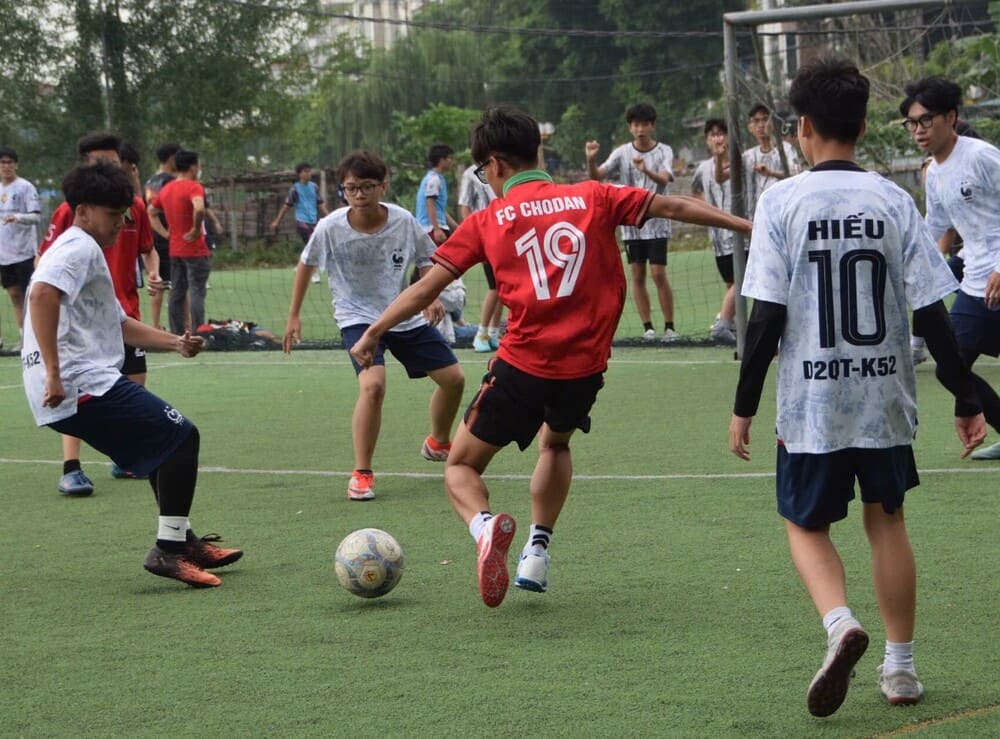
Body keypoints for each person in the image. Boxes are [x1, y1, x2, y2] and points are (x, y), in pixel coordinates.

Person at [351, 107, 751, 608]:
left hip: (522, 365)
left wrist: (374, 331)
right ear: (535, 153)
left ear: (495, 165)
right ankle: (537, 551)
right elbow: (674, 207)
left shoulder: (487, 219)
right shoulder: (594, 195)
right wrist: (746, 224)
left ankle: (484, 526)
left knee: (460, 468)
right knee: (555, 446)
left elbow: (427, 286)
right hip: (584, 369)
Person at [728, 58, 987, 718]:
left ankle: (841, 621)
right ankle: (900, 668)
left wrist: (744, 405)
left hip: (812, 402)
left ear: (803, 126)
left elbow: (765, 317)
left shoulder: (782, 201)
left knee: (803, 521)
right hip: (883, 398)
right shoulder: (893, 199)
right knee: (888, 519)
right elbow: (934, 312)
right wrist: (965, 394)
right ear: (866, 126)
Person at [22, 161, 243, 587]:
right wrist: (54, 372)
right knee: (182, 436)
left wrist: (174, 342)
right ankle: (169, 550)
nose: (122, 222)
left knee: (164, 443)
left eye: (126, 213)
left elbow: (118, 325)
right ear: (84, 211)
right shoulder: (78, 248)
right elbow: (42, 294)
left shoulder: (84, 248)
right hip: (77, 382)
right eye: (114, 213)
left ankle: (183, 540)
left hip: (76, 382)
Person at [283, 150, 465, 501]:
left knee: (454, 380)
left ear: (383, 186)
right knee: (374, 387)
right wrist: (294, 315)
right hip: (357, 318)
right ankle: (362, 472)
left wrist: (431, 295)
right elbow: (306, 266)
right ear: (342, 190)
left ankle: (438, 442)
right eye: (351, 188)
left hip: (402, 314)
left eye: (367, 186)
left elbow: (428, 260)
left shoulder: (403, 221)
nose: (359, 194)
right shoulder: (330, 227)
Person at [38, 131, 162, 494]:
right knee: (77, 392)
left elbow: (148, 249)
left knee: (133, 379)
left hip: (126, 308)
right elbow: (47, 264)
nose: (107, 165)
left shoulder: (134, 207)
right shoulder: (71, 210)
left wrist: (153, 271)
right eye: (98, 161)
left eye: (112, 159)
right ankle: (71, 467)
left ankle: (124, 458)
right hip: (84, 320)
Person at [900, 77, 1000, 461]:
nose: (919, 130)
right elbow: (934, 227)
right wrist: (909, 262)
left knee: (954, 365)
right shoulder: (935, 173)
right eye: (913, 123)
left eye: (926, 120)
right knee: (951, 366)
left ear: (951, 117)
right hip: (977, 281)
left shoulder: (980, 156)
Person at [586, 103, 678, 342]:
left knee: (658, 273)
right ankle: (648, 327)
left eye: (645, 124)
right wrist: (590, 160)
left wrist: (646, 170)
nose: (641, 129)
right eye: (636, 124)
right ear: (630, 127)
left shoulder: (664, 151)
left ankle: (669, 327)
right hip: (631, 225)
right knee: (637, 275)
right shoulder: (622, 152)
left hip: (657, 222)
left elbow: (666, 179)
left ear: (653, 125)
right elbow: (597, 176)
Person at [149, 149, 211, 335]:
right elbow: (199, 208)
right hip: (196, 250)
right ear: (193, 167)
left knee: (177, 291)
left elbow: (151, 211)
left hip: (175, 249)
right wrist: (195, 229)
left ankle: (176, 334)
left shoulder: (167, 189)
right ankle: (198, 332)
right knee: (197, 291)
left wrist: (166, 233)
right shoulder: (194, 187)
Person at [691, 118, 738, 344]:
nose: (717, 138)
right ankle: (733, 323)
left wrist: (721, 159)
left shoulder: (740, 161)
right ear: (707, 140)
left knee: (744, 279)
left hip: (740, 233)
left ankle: (723, 321)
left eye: (721, 133)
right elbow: (696, 190)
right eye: (712, 135)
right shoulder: (702, 168)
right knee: (732, 283)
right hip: (718, 237)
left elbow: (721, 177)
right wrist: (706, 209)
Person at [457, 163, 502, 352]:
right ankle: (481, 333)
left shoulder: (501, 167)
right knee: (494, 286)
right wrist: (473, 235)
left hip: (503, 232)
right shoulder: (471, 174)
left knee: (503, 287)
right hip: (486, 234)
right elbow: (465, 204)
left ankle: (493, 333)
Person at [0, 146, 41, 354]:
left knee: (30, 296)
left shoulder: (25, 187)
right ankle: (23, 337)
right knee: (14, 295)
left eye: (9, 162)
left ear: (16, 164)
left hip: (24, 253)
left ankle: (34, 339)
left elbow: (36, 216)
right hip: (3, 255)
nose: (6, 166)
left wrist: (18, 217)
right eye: (2, 162)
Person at [742, 102, 801, 218]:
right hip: (756, 217)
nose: (761, 125)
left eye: (765, 119)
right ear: (750, 127)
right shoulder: (747, 156)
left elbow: (797, 174)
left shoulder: (786, 149)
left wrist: (771, 173)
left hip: (782, 213)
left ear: (772, 123)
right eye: (756, 121)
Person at [144, 143, 179, 330]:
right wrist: (168, 234)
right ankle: (183, 326)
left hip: (153, 239)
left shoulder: (150, 181)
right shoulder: (171, 182)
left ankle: (156, 325)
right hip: (170, 237)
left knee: (156, 281)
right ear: (171, 158)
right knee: (179, 285)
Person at [415, 143, 458, 245]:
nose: (451, 161)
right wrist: (436, 229)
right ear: (441, 160)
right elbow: (430, 204)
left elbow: (441, 209)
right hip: (430, 229)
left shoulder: (437, 178)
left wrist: (457, 228)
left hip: (437, 227)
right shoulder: (434, 179)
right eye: (449, 158)